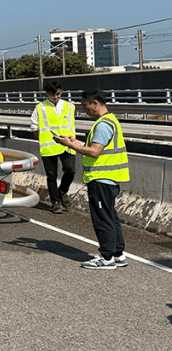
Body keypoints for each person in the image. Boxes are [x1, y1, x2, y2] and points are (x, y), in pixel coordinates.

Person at [54, 89, 130, 270]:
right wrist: (75, 142)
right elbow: (94, 147)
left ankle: (106, 258)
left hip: (100, 178)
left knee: (102, 219)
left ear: (95, 103)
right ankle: (118, 254)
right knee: (110, 216)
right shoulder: (110, 120)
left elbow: (95, 152)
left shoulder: (103, 125)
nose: (84, 110)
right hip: (109, 178)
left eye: (85, 106)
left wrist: (70, 145)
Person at [30, 81, 76, 213]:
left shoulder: (70, 106)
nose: (55, 97)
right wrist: (43, 139)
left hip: (67, 144)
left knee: (70, 170)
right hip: (49, 146)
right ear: (46, 93)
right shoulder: (40, 107)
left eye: (57, 94)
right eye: (52, 94)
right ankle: (55, 202)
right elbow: (34, 127)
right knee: (52, 175)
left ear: (61, 91)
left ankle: (62, 191)